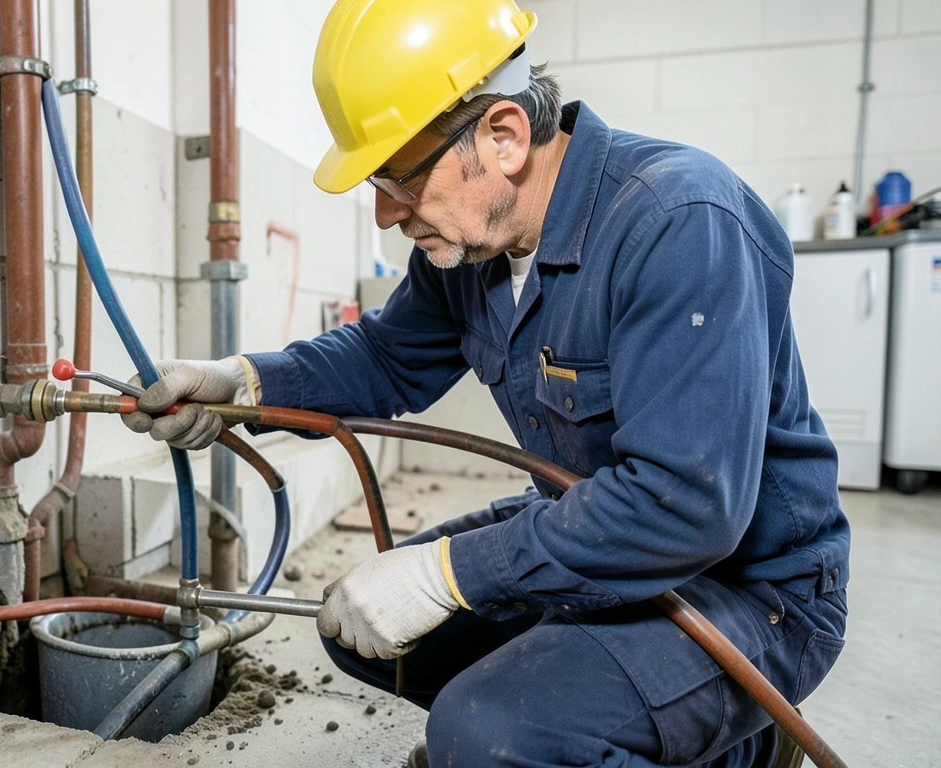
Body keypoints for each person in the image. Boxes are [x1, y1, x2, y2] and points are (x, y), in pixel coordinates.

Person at [122, 1, 850, 765]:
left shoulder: (678, 220)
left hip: (751, 591)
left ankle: (742, 744)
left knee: (486, 731)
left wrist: (448, 574)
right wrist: (237, 383)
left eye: (398, 178)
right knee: (367, 632)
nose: (383, 213)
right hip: (599, 531)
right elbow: (383, 357)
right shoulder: (471, 248)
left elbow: (686, 505)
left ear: (502, 136)